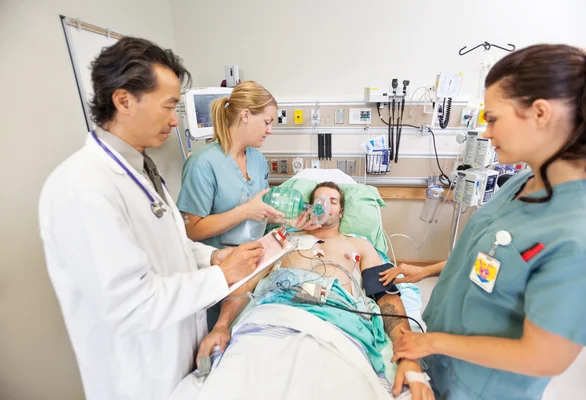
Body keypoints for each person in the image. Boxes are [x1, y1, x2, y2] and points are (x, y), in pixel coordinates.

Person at [38, 37, 264, 400]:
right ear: (124, 100)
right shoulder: (81, 187)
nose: (175, 120)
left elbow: (170, 248)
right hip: (138, 377)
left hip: (177, 362)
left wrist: (211, 257)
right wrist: (221, 276)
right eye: (169, 106)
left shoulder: (140, 170)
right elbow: (130, 304)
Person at [385, 44, 586, 400]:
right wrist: (432, 270)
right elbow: (498, 255)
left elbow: (545, 357)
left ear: (540, 113)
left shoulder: (583, 234)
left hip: (482, 388)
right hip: (438, 364)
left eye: (493, 118)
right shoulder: (524, 181)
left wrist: (432, 341)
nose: (486, 132)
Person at [194, 182, 434, 400]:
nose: (325, 205)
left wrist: (407, 355)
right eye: (319, 199)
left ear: (341, 212)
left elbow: (385, 296)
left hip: (336, 324)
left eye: (333, 201)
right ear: (308, 206)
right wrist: (221, 326)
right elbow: (244, 284)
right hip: (273, 316)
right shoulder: (282, 239)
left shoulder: (359, 245)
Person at [177, 80, 284, 249]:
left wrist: (292, 220)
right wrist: (244, 211)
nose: (270, 130)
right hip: (220, 265)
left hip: (255, 257)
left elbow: (260, 212)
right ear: (246, 115)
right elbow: (191, 230)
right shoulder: (202, 164)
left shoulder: (258, 161)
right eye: (267, 122)